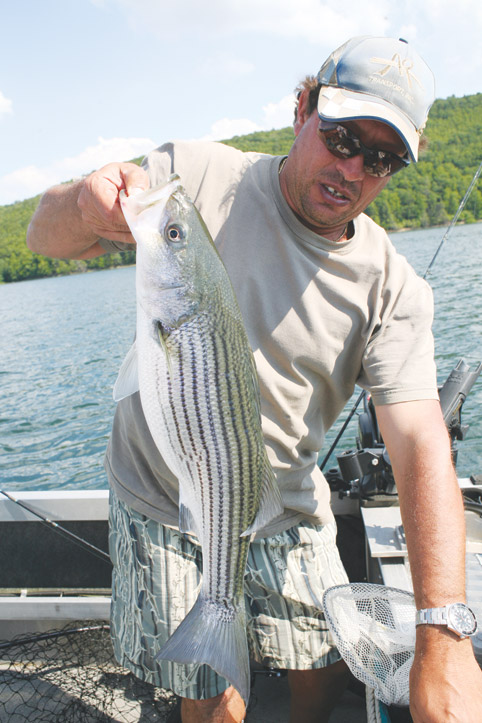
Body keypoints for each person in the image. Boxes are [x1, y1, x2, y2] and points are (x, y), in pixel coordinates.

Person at [27, 35, 482, 723]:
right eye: (342, 135)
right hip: (159, 490)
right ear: (303, 108)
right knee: (212, 692)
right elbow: (42, 236)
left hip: (282, 494)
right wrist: (87, 205)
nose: (353, 167)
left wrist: (444, 632)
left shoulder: (395, 287)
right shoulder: (193, 180)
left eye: (381, 157)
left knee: (324, 661)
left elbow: (421, 443)